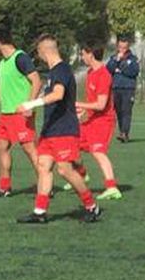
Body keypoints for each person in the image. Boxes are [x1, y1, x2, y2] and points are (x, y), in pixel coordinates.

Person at [14, 34, 100, 225]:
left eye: (39, 53)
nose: (39, 57)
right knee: (44, 167)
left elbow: (59, 95)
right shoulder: (53, 73)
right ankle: (39, 211)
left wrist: (31, 104)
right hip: (50, 130)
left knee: (64, 170)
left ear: (44, 51)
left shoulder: (61, 69)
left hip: (64, 130)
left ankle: (91, 206)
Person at [0, 26, 40, 198]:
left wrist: (30, 105)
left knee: (29, 149)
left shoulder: (20, 58)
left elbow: (36, 80)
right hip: (6, 114)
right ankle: (4, 187)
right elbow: (3, 85)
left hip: (20, 114)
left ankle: (45, 185)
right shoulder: (3, 63)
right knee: (1, 146)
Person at [74, 41, 123, 200]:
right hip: (92, 118)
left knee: (98, 152)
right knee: (71, 143)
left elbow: (101, 105)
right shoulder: (90, 73)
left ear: (90, 54)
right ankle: (82, 175)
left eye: (83, 54)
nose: (82, 57)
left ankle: (112, 188)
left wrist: (78, 104)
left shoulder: (104, 75)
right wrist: (83, 111)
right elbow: (93, 101)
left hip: (104, 121)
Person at [106, 35, 140, 142]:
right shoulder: (113, 58)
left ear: (128, 47)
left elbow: (134, 72)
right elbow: (109, 69)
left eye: (124, 48)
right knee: (119, 111)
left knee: (126, 111)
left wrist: (120, 70)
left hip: (128, 88)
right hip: (116, 88)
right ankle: (122, 132)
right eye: (120, 47)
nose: (122, 50)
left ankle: (125, 133)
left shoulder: (133, 59)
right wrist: (117, 61)